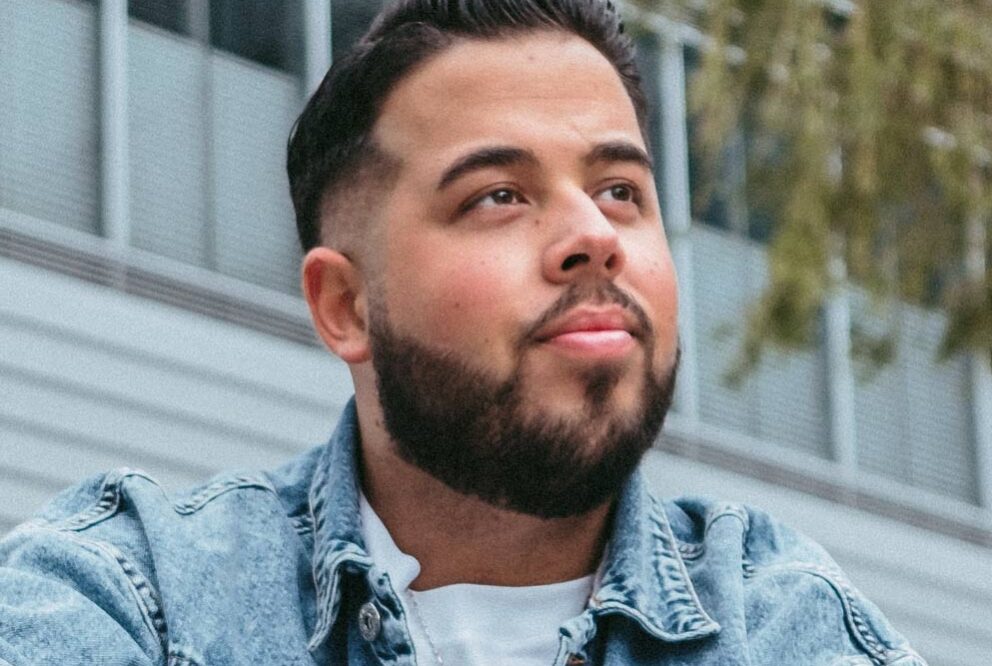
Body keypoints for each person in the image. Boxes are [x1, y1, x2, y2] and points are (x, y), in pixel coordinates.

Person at [0, 1, 925, 664]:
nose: (594, 237)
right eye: (498, 196)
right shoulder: (133, 594)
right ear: (345, 307)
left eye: (619, 191)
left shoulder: (785, 625)